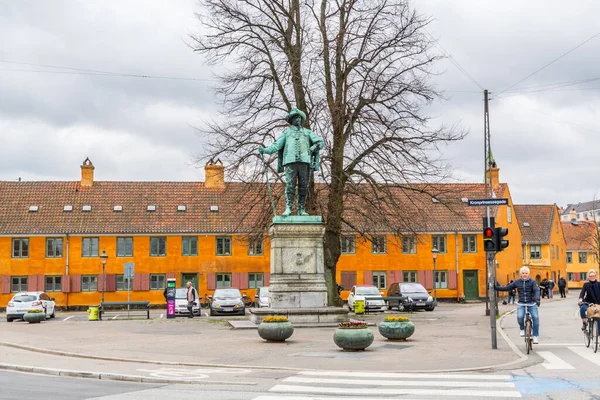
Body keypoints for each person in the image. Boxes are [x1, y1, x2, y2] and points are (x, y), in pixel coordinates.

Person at [258, 108, 324, 217]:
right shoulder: (287, 132)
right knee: (290, 185)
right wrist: (265, 150)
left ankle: (301, 209)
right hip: (290, 161)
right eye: (295, 117)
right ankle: (288, 208)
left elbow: (320, 142)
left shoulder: (307, 132)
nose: (298, 119)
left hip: (304, 162)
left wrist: (312, 148)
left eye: (299, 117)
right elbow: (277, 145)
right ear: (292, 120)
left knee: (303, 186)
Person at [495, 266, 541, 344]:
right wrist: (496, 288)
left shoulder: (533, 282)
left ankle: (535, 336)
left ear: (528, 274)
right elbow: (507, 288)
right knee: (520, 317)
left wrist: (537, 299)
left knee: (535, 318)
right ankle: (522, 329)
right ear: (520, 274)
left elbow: (536, 290)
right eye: (523, 273)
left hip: (531, 303)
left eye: (526, 273)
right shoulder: (517, 282)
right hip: (521, 303)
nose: (524, 274)